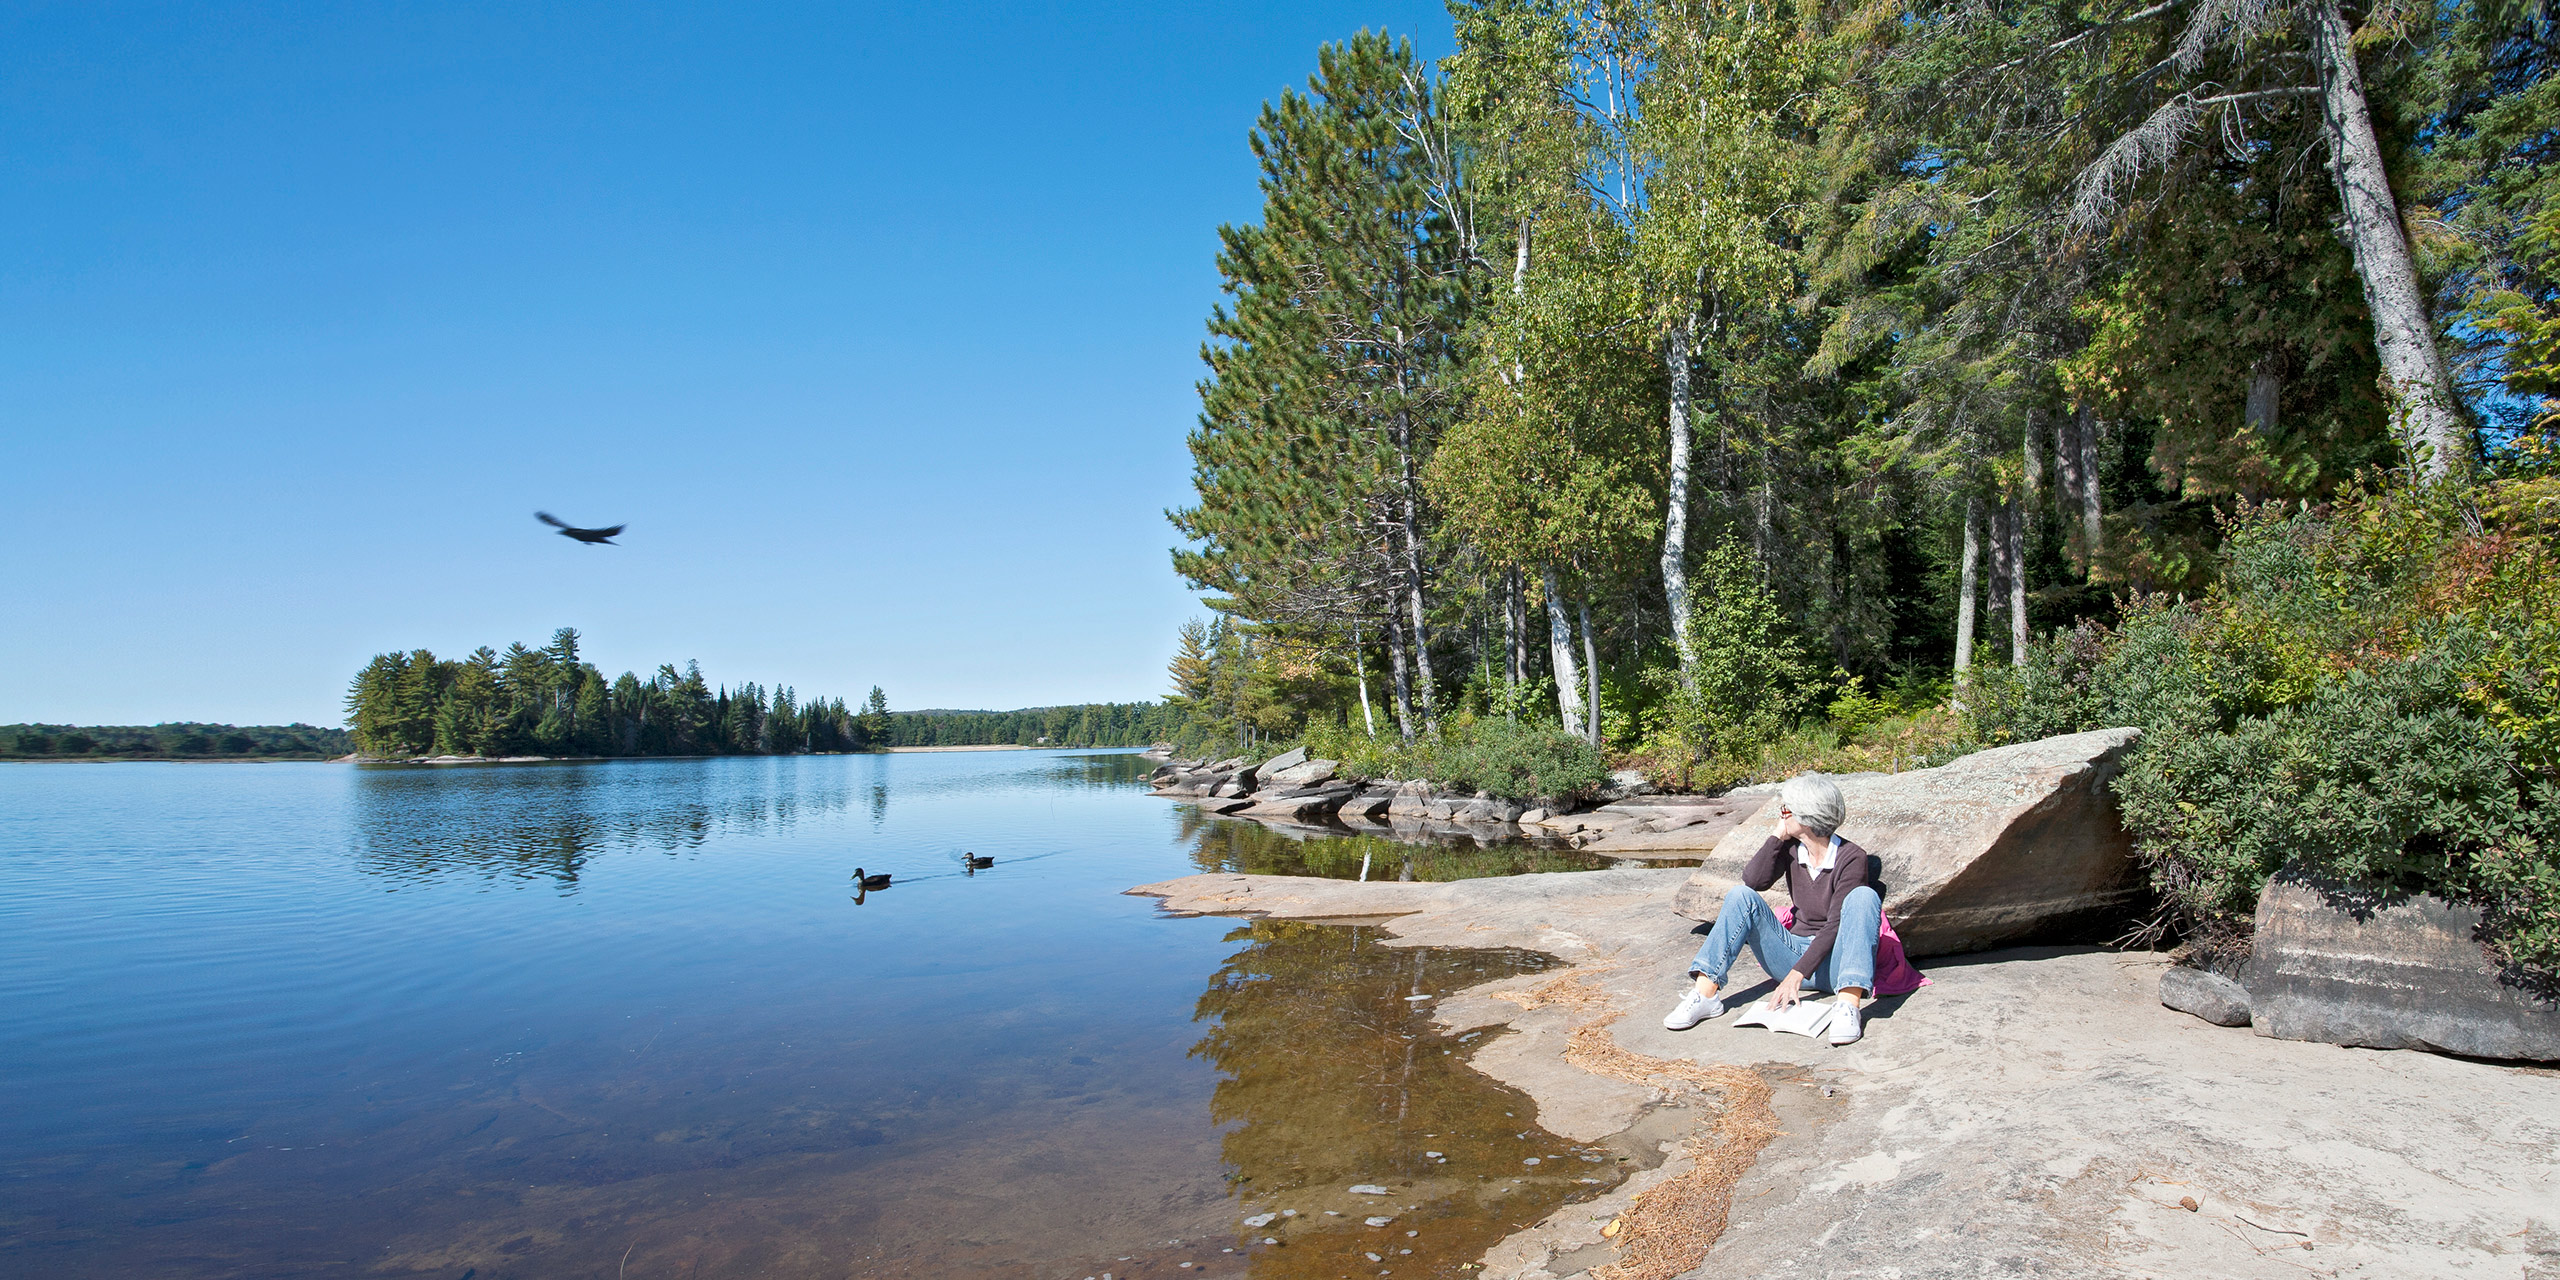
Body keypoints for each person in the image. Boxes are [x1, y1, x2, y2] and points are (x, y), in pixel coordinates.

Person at [1663, 772, 1880, 1046]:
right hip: (1789, 953)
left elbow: (1835, 924)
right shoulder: (1791, 848)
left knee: (1864, 897)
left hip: (1836, 965)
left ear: (1807, 816)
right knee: (1741, 895)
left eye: (1786, 810)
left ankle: (1848, 1006)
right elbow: (1754, 881)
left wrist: (1796, 974)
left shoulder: (1852, 857)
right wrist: (1777, 836)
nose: (1782, 814)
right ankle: (1705, 995)